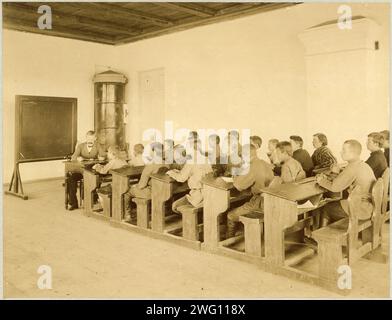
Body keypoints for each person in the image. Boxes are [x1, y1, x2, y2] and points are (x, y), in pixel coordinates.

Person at [316, 140, 376, 227]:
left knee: (325, 208)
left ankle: (319, 239)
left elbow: (334, 187)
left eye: (344, 150)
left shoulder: (351, 167)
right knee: (335, 203)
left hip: (361, 209)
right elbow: (345, 180)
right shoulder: (363, 165)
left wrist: (321, 180)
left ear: (352, 153)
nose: (341, 152)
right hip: (369, 207)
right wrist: (336, 174)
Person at [226, 144, 274, 238]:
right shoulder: (264, 163)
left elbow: (239, 185)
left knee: (230, 215)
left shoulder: (251, 167)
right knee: (240, 204)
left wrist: (236, 176)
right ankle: (242, 233)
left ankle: (230, 240)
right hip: (270, 200)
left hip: (259, 203)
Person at [123, 142, 168, 221]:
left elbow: (142, 185)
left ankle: (128, 215)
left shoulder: (151, 165)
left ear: (153, 152)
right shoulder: (166, 164)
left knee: (126, 191)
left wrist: (135, 186)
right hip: (162, 190)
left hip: (151, 192)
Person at [167, 141, 212, 212]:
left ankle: (192, 216)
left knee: (174, 206)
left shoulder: (190, 163)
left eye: (178, 159)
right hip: (210, 193)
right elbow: (194, 172)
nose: (177, 162)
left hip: (198, 196)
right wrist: (179, 172)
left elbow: (181, 178)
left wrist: (171, 173)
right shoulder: (203, 158)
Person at [67, 130, 106, 210]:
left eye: (92, 139)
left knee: (94, 179)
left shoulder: (97, 145)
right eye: (88, 139)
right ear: (86, 138)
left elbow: (103, 155)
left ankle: (89, 201)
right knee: (71, 179)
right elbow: (73, 157)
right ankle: (73, 203)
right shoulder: (81, 146)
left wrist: (102, 157)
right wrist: (78, 158)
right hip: (81, 170)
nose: (90, 141)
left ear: (95, 138)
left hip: (92, 171)